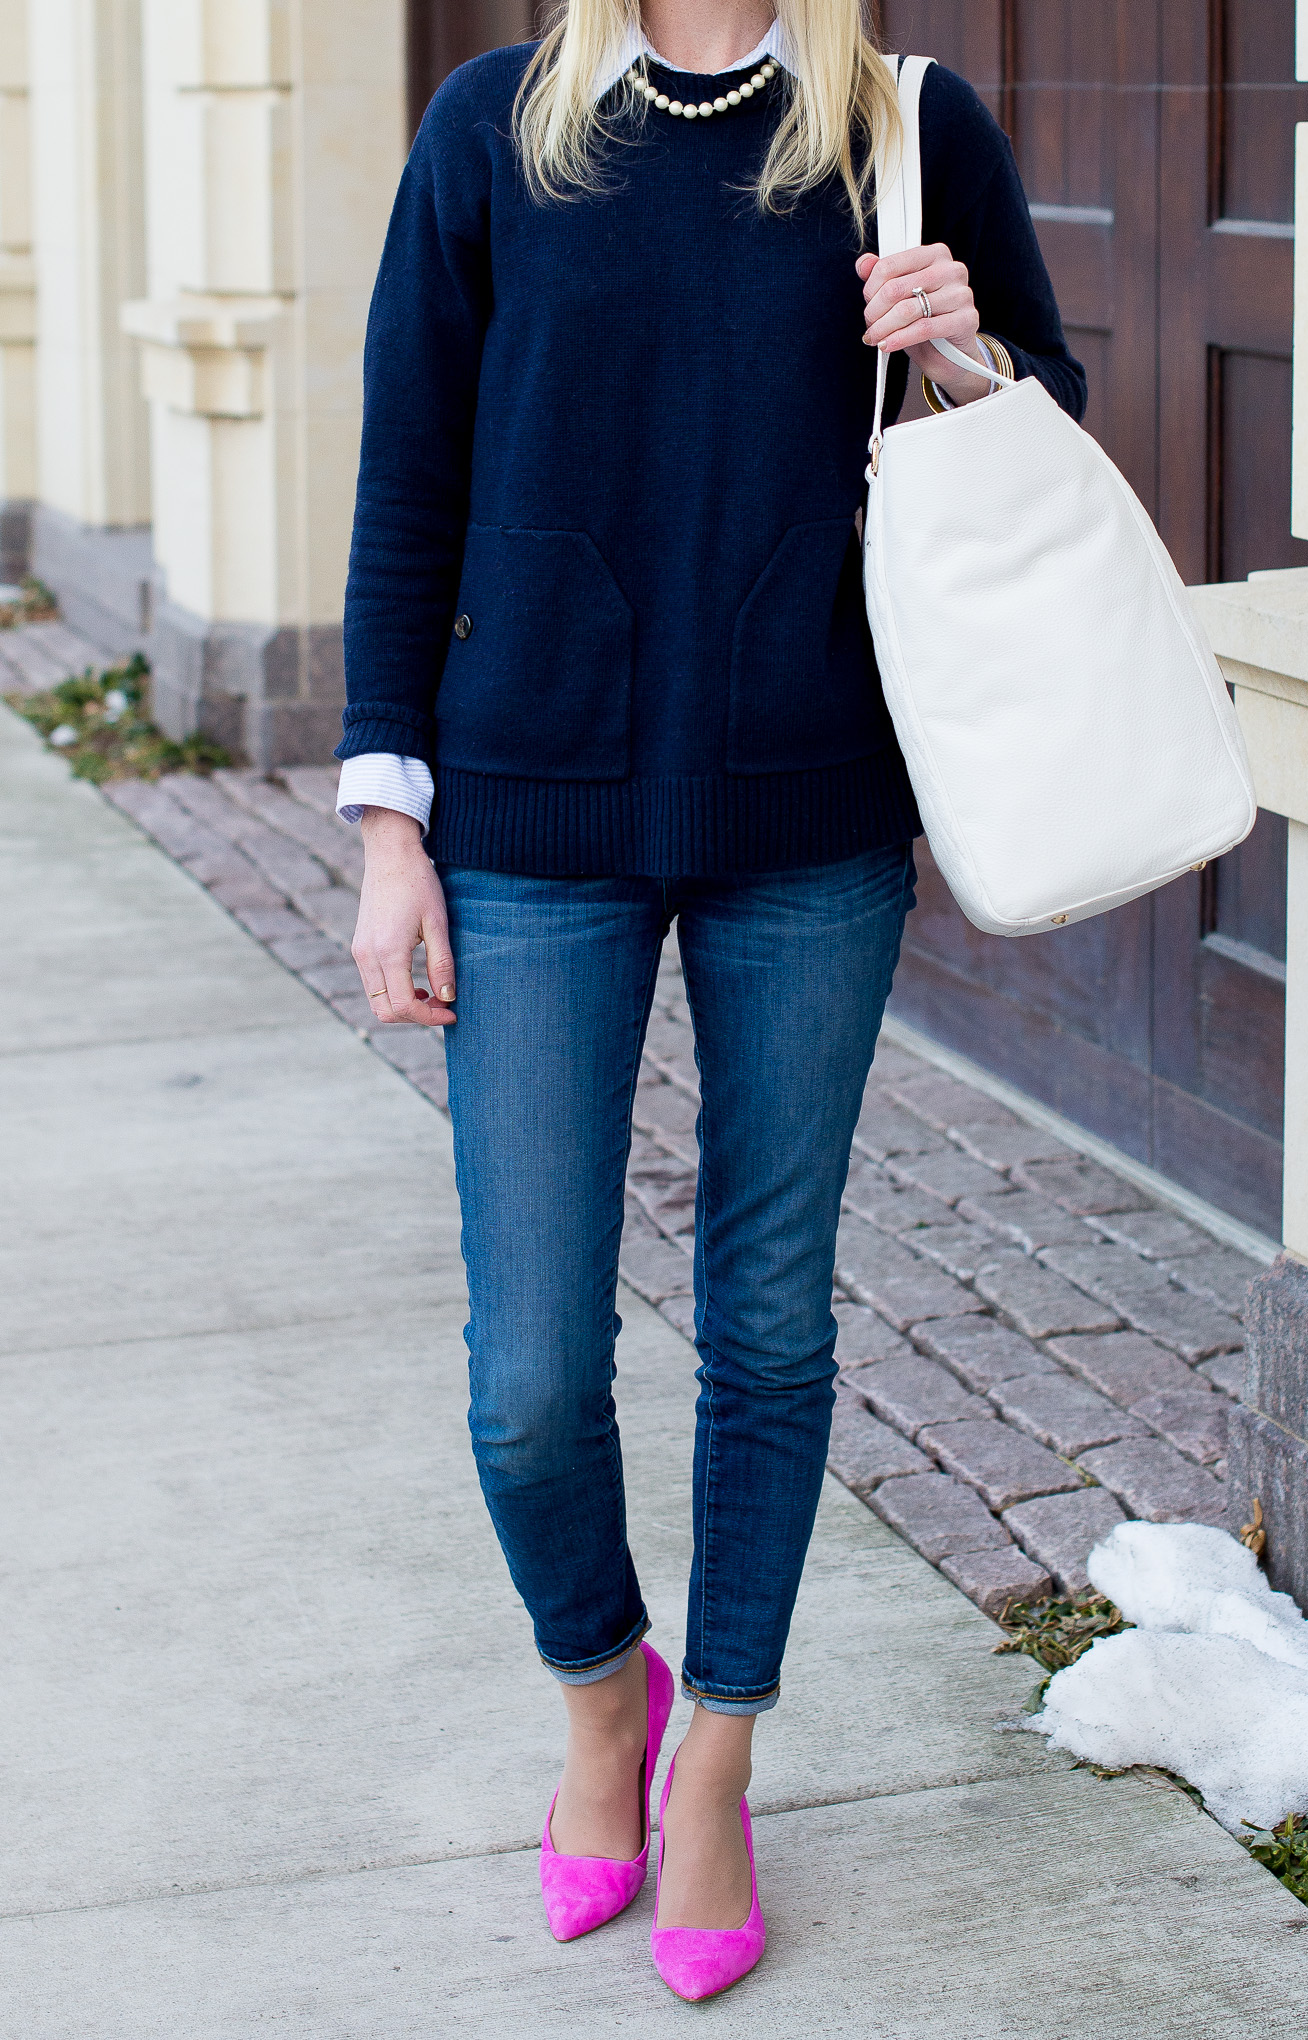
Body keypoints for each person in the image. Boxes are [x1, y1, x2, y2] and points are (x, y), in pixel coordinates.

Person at [337, 0, 1083, 2002]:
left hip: (807, 811)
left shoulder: (900, 126)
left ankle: (717, 1766)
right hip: (526, 810)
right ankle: (606, 1698)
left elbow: (1043, 422)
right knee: (527, 1373)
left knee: (767, 1315)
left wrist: (961, 353)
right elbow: (410, 465)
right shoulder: (499, 127)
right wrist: (387, 825)